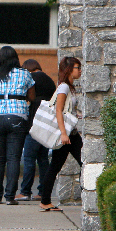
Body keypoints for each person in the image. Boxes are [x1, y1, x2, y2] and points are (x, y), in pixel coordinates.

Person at [0, 46, 35, 205]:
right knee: (13, 158)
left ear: (0, 59)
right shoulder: (25, 74)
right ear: (15, 58)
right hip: (17, 116)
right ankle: (10, 196)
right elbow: (32, 97)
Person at [39, 57, 83, 212]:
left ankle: (45, 201)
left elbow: (66, 110)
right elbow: (58, 110)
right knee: (83, 162)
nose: (80, 70)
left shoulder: (69, 87)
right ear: (69, 69)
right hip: (68, 135)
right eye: (78, 67)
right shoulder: (64, 87)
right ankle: (45, 201)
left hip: (71, 133)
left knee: (55, 166)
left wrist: (75, 115)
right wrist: (63, 133)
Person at [15, 59, 56, 201]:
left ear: (27, 69)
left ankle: (25, 191)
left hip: (34, 123)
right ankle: (43, 191)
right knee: (43, 159)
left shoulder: (31, 78)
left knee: (29, 158)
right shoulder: (49, 80)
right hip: (47, 124)